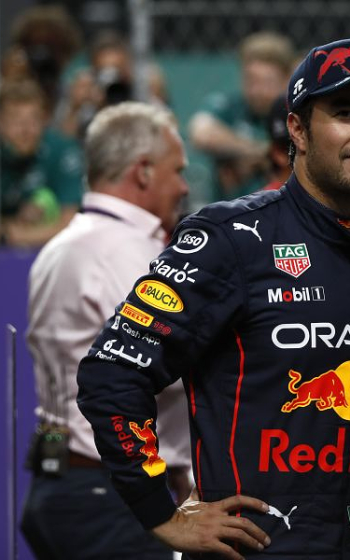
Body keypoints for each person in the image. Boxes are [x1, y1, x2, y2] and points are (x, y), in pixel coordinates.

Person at [77, 38, 350, 560]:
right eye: (347, 113)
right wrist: (160, 512)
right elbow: (112, 372)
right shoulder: (229, 237)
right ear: (298, 129)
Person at [21, 101, 193, 559]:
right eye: (177, 171)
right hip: (107, 495)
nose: (184, 186)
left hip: (63, 483)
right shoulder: (126, 252)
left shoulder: (63, 245)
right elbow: (163, 370)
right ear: (142, 172)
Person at [189, 31, 295, 201]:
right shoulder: (233, 106)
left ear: (287, 79)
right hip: (228, 214)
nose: (256, 91)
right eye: (251, 81)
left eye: (266, 82)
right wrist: (261, 153)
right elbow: (201, 133)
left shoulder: (296, 114)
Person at [0, 79, 84, 247]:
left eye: (33, 120)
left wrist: (18, 234)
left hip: (53, 252)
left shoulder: (63, 151)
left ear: (44, 121)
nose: (25, 130)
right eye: (15, 120)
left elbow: (71, 224)